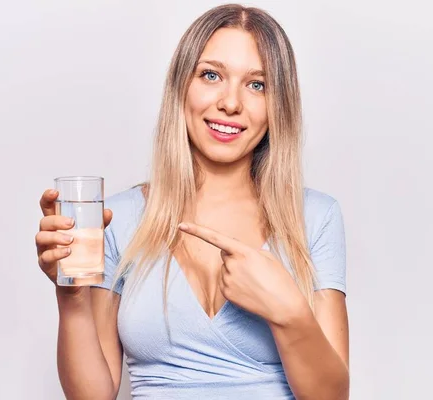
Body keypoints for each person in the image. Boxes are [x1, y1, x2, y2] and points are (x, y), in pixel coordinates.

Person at [35, 4, 349, 399]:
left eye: (257, 85)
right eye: (211, 75)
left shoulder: (316, 218)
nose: (230, 103)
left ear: (277, 106)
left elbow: (332, 396)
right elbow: (92, 396)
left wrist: (289, 312)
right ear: (181, 85)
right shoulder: (118, 219)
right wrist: (71, 297)